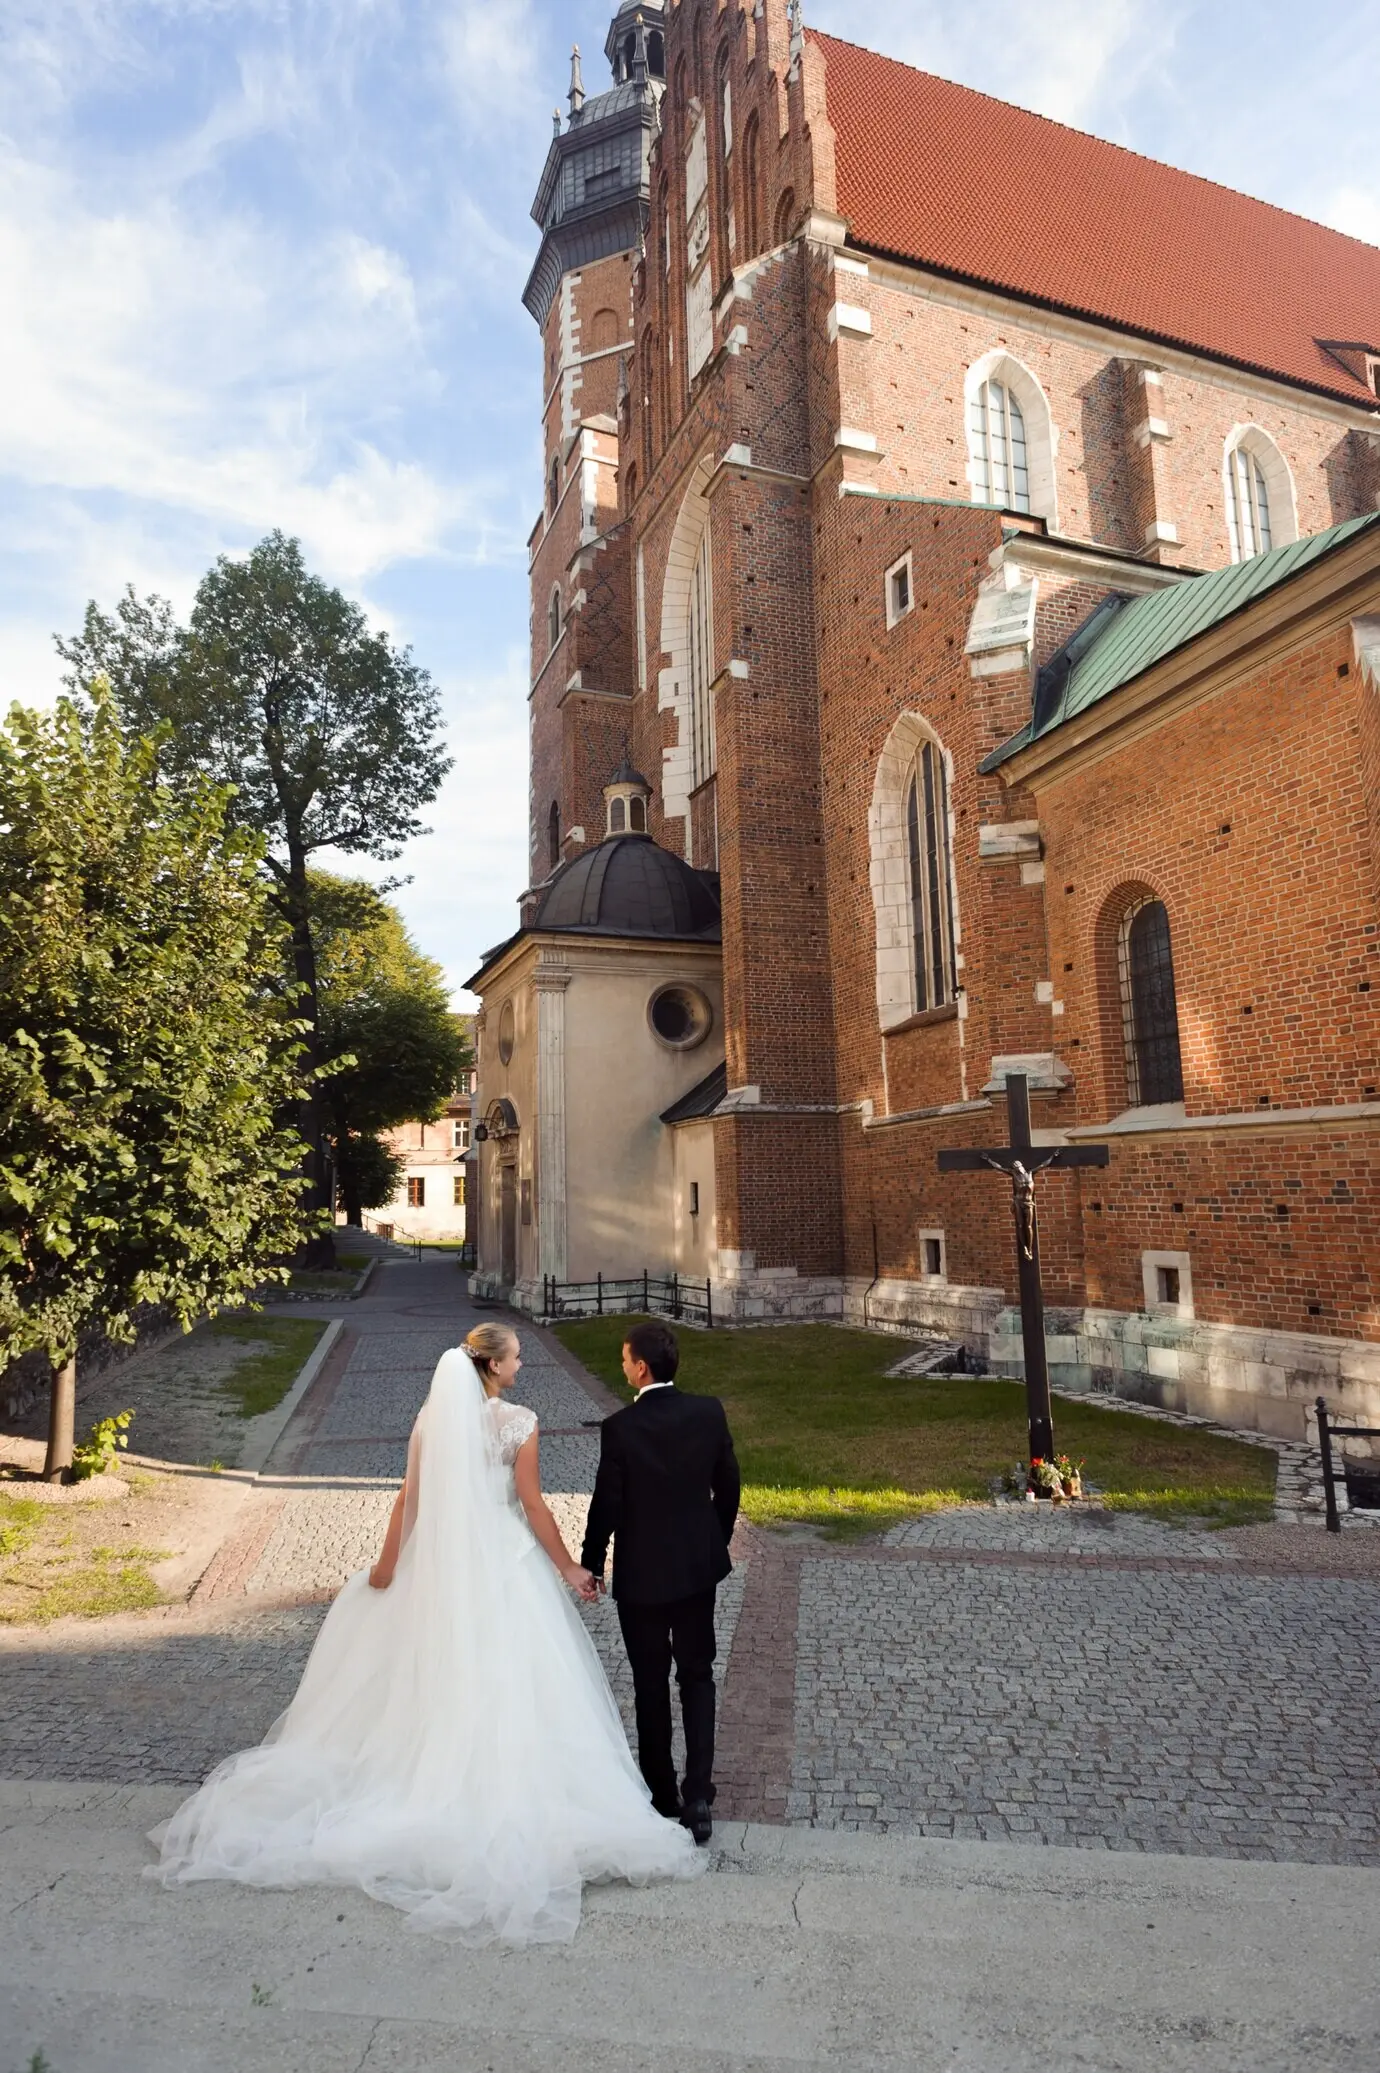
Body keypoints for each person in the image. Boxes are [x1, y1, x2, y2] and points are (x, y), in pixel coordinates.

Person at [147, 1322, 703, 1945]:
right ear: (493, 1367)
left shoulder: (431, 1419)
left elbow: (408, 1497)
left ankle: (431, 1774)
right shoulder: (519, 1423)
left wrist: (386, 1568)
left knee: (435, 1663)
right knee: (514, 1674)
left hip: (440, 1563)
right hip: (502, 1561)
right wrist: (570, 1567)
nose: (523, 1364)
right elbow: (534, 1506)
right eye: (517, 1356)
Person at [580, 1320, 740, 1845]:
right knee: (698, 1674)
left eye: (625, 1359)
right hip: (697, 1570)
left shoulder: (621, 1428)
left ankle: (663, 1793)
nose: (622, 1366)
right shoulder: (708, 1412)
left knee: (650, 1683)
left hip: (642, 1576)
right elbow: (729, 1486)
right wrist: (712, 1541)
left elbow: (608, 1504)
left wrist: (593, 1559)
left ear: (641, 1367)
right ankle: (699, 1796)